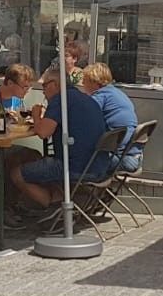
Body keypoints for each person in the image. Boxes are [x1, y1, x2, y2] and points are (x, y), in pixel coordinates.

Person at [12, 66, 113, 211]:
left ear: (54, 84)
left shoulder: (61, 100)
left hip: (74, 167)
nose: (43, 91)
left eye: (44, 86)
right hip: (99, 166)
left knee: (16, 174)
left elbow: (43, 133)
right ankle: (55, 202)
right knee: (33, 157)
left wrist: (36, 115)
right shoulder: (85, 98)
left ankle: (53, 207)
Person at [79, 63, 140, 170]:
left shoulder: (100, 97)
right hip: (134, 155)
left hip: (122, 158)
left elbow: (82, 117)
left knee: (75, 161)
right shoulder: (116, 93)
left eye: (85, 80)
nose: (82, 83)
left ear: (94, 81)